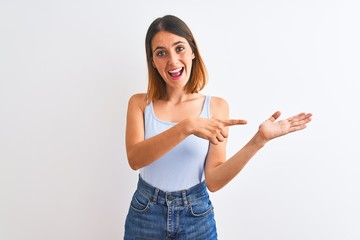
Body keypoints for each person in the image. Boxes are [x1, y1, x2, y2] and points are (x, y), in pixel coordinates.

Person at [123, 15, 312, 240]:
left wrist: (258, 141)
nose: (173, 61)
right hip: (145, 213)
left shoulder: (216, 107)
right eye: (161, 53)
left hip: (195, 215)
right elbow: (135, 159)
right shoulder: (140, 103)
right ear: (153, 61)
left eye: (179, 48)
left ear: (193, 51)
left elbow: (213, 181)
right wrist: (187, 126)